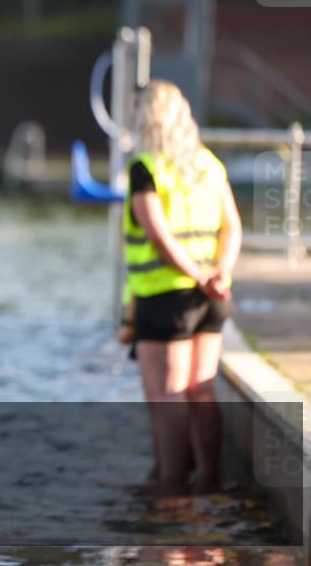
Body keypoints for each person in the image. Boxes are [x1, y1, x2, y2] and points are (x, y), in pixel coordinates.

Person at [122, 80, 242, 492]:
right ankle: (208, 480)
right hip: (211, 297)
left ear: (148, 117)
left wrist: (195, 274)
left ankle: (170, 489)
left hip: (166, 297)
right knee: (201, 391)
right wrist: (218, 273)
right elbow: (232, 226)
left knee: (167, 396)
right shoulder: (208, 163)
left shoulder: (146, 168)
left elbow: (157, 234)